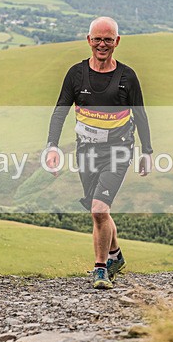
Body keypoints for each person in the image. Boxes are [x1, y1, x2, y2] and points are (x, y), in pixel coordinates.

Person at [44, 17, 153, 290]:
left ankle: (101, 269)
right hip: (86, 152)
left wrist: (147, 151)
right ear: (88, 40)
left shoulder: (128, 77)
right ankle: (116, 256)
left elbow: (140, 115)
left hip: (118, 151)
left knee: (99, 209)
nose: (102, 45)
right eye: (97, 39)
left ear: (117, 42)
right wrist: (52, 146)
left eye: (108, 39)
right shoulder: (76, 75)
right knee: (98, 213)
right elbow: (60, 111)